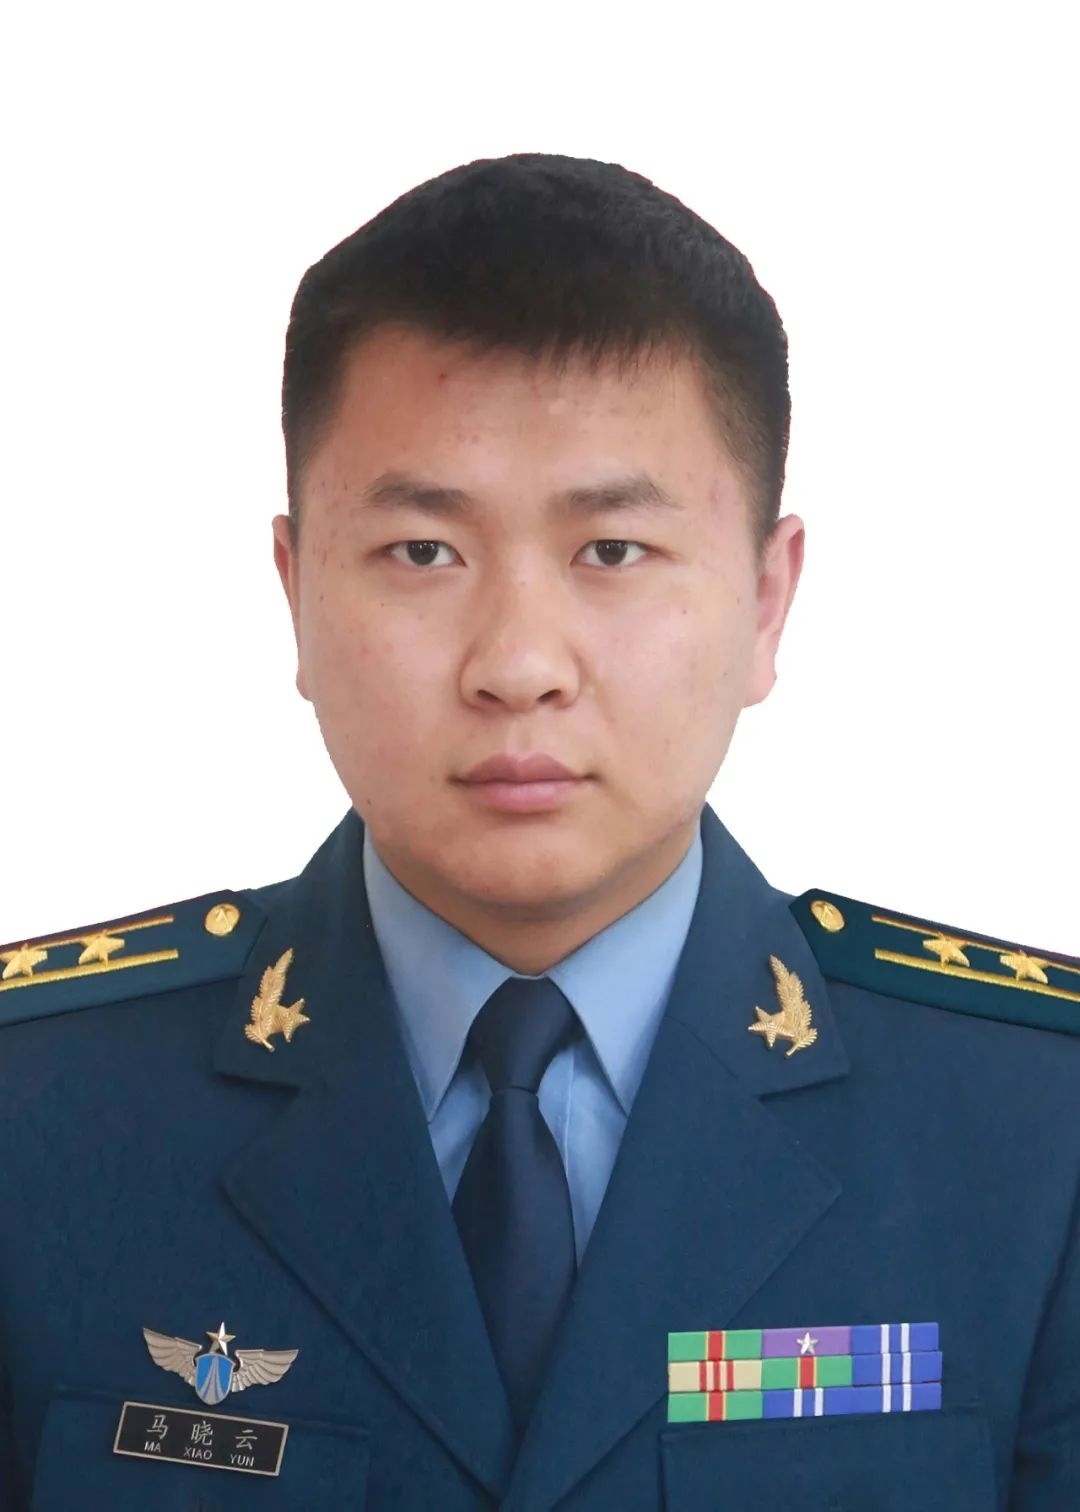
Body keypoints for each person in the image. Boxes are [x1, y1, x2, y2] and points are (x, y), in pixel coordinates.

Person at [1, 152, 1078, 1512]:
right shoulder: (38, 1107)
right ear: (296, 593)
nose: (517, 665)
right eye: (423, 553)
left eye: (612, 552)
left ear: (765, 599)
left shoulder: (1035, 1131)